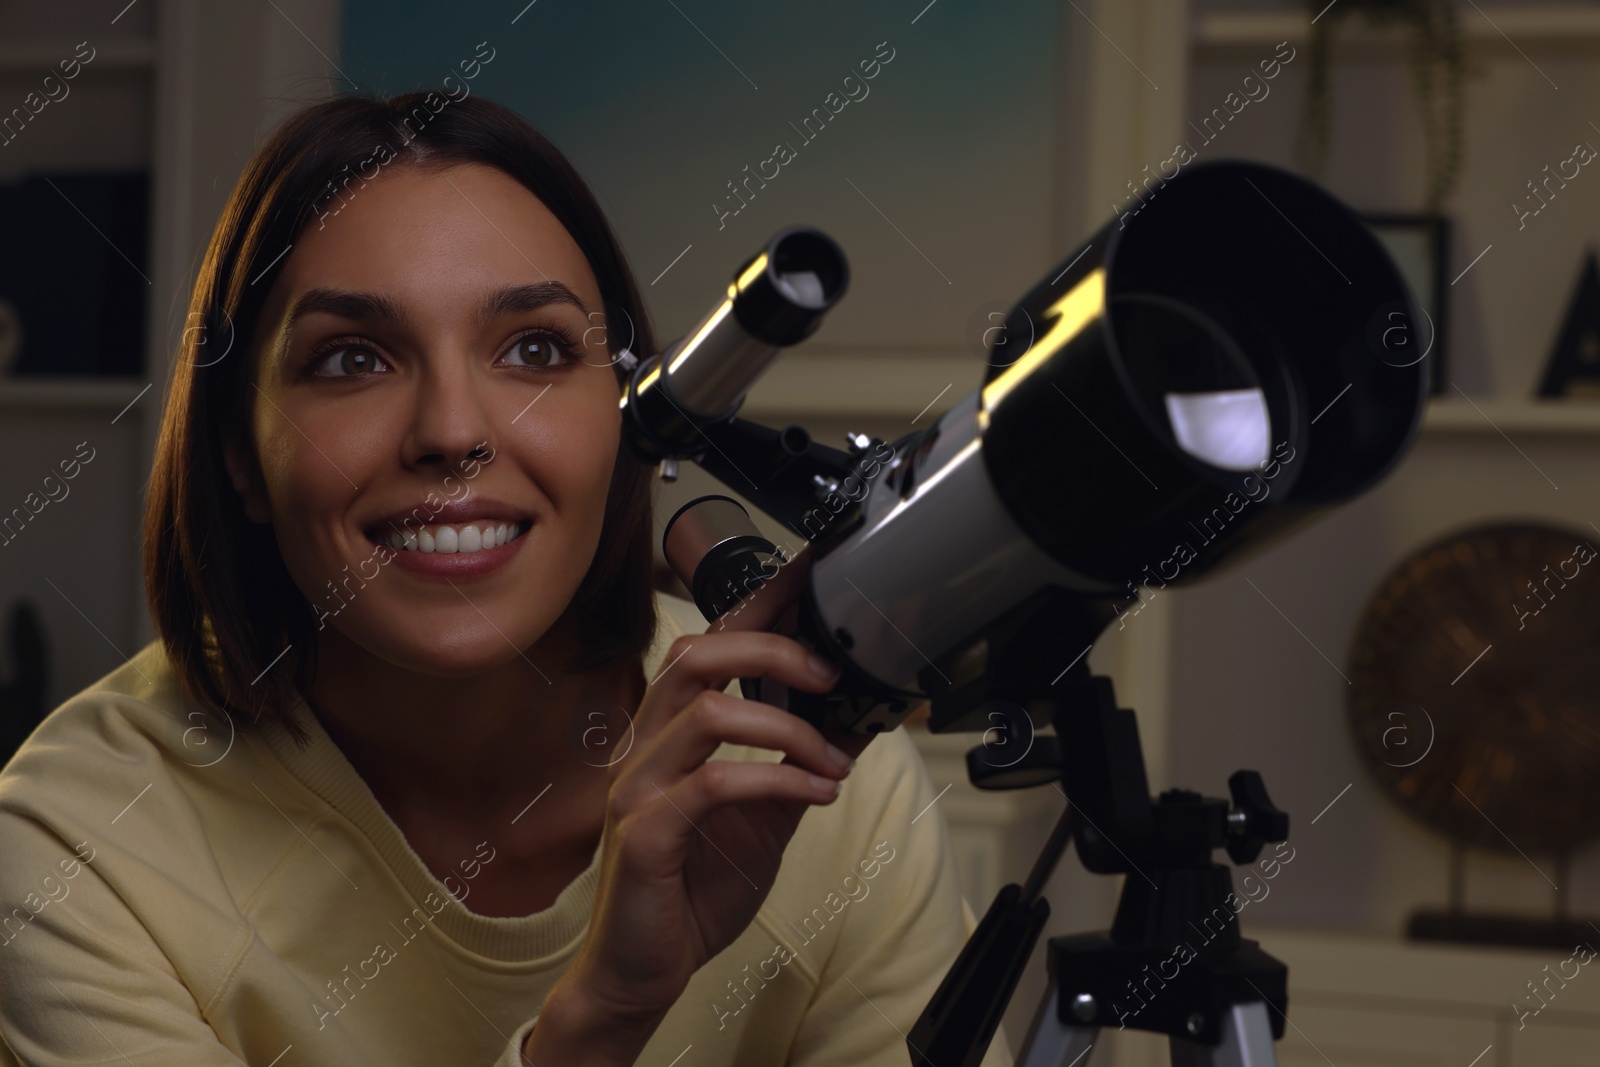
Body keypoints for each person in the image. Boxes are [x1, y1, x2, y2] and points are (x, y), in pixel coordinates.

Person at [0, 93, 1012, 1066]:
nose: (452, 430)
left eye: (533, 348)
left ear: (626, 410)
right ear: (239, 455)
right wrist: (601, 1018)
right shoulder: (81, 839)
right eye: (353, 359)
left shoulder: (813, 777)